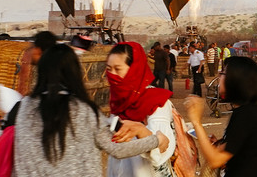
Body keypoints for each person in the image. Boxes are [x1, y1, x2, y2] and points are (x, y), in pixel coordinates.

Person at [13, 44, 165, 177]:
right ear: (73, 72)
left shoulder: (24, 107)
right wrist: (156, 140)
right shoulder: (83, 110)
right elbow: (117, 149)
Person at [185, 55, 257, 177]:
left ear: (235, 81)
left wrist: (196, 122)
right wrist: (217, 143)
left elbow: (215, 160)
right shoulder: (244, 111)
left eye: (222, 73)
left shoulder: (247, 115)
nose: (219, 77)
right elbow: (227, 149)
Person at [105, 42, 177, 177]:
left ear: (134, 69)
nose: (112, 75)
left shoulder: (155, 103)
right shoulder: (118, 102)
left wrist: (140, 130)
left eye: (118, 69)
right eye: (109, 69)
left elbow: (162, 151)